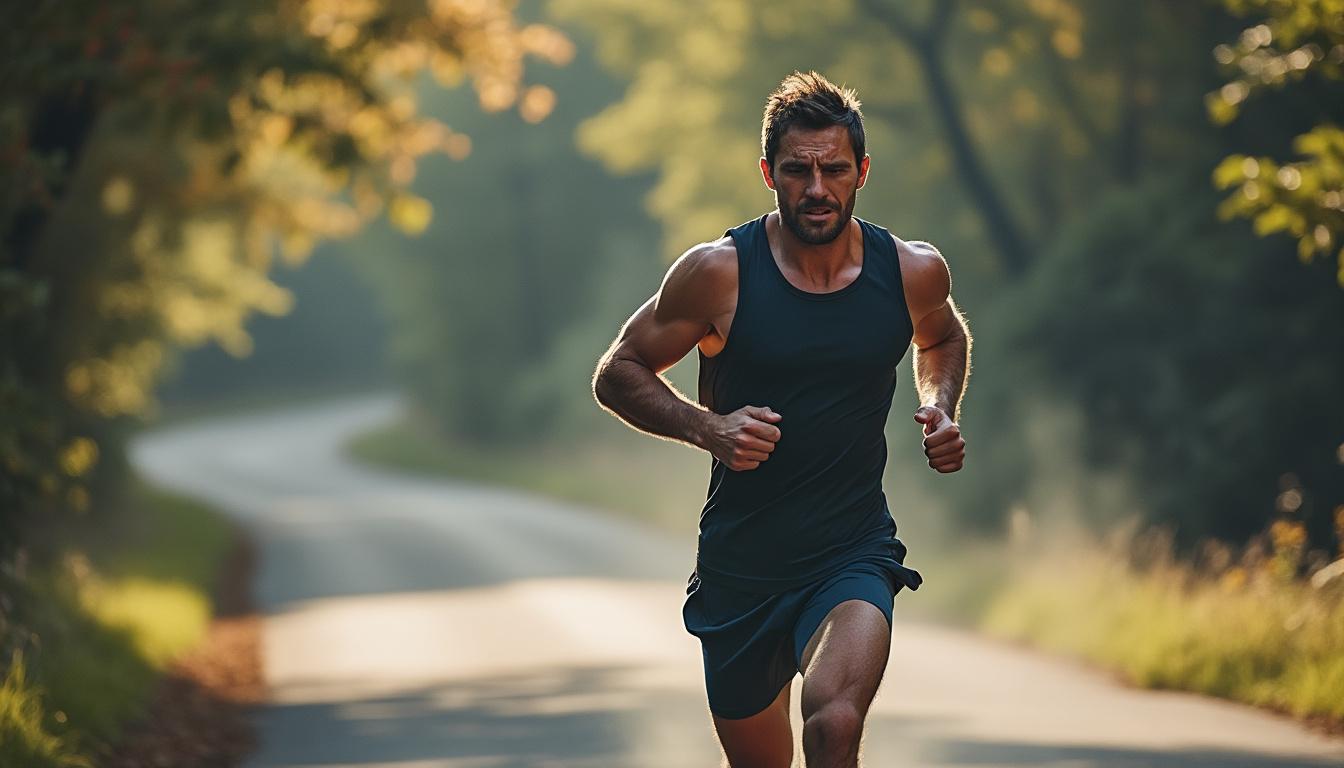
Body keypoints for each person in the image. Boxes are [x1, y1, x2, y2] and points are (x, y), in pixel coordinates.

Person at [591, 70, 971, 768]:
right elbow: (618, 371)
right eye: (798, 170)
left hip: (851, 551)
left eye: (834, 169)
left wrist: (939, 407)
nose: (817, 189)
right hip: (742, 570)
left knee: (832, 723)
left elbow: (943, 338)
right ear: (769, 172)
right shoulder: (719, 273)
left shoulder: (912, 271)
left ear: (862, 171)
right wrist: (707, 426)